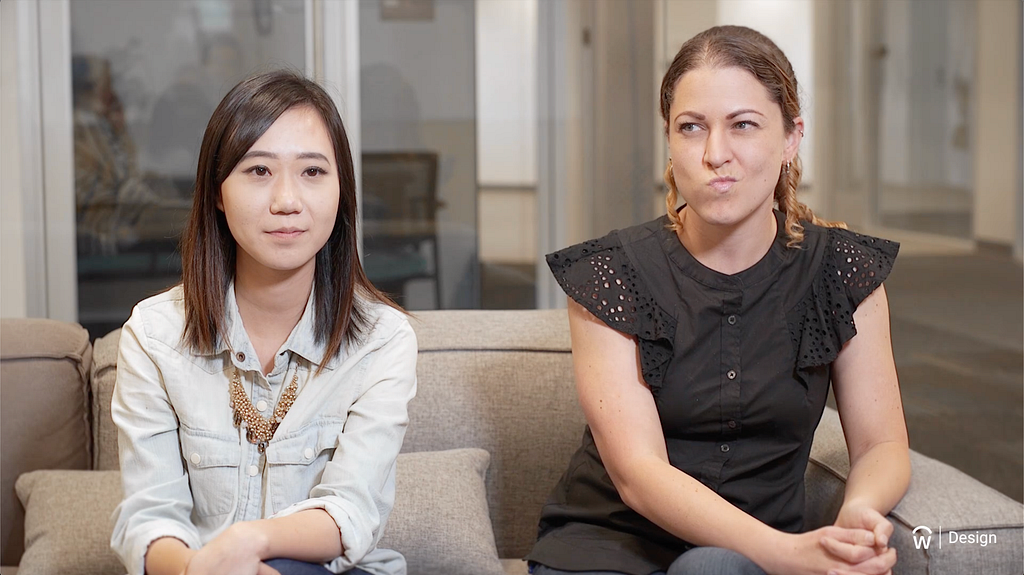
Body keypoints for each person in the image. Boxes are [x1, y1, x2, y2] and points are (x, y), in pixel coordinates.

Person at [526, 25, 909, 575]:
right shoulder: (611, 272)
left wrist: (857, 515)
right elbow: (637, 472)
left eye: (744, 126)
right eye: (691, 128)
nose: (714, 154)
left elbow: (881, 443)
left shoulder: (842, 271)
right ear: (670, 139)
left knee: (713, 568)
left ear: (791, 138)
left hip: (743, 565)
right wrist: (791, 554)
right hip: (606, 550)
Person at [110, 70, 418, 575]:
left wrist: (247, 543)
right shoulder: (154, 335)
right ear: (216, 192)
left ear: (342, 190)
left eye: (313, 172)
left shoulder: (383, 341)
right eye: (258, 171)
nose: (287, 201)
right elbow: (150, 518)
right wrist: (200, 570)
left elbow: (349, 511)